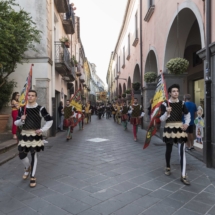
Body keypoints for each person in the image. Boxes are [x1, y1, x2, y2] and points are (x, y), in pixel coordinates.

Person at [15, 90, 53, 188]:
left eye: (33, 95)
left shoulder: (41, 108)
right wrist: (21, 119)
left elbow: (49, 120)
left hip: (35, 135)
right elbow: (16, 123)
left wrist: (42, 129)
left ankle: (32, 176)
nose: (30, 97)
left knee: (33, 155)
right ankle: (27, 167)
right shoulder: (22, 109)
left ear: (36, 97)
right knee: (21, 155)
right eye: (29, 95)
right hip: (24, 134)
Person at [160, 84, 190, 185]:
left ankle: (183, 175)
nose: (176, 93)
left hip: (180, 128)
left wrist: (186, 123)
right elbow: (161, 119)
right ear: (169, 93)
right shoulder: (165, 104)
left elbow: (187, 114)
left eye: (177, 91)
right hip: (169, 128)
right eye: (173, 91)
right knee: (169, 149)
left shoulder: (182, 103)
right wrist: (167, 113)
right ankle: (168, 166)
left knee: (182, 152)